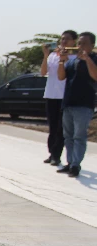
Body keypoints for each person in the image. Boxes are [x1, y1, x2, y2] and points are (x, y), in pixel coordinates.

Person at [57, 32, 97, 178]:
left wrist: (87, 59)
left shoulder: (94, 59)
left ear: (92, 45)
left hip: (84, 104)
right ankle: (70, 162)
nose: (80, 46)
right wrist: (62, 61)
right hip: (68, 103)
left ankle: (76, 165)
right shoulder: (73, 61)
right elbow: (61, 76)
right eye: (79, 43)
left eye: (84, 43)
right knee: (68, 136)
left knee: (79, 136)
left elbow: (95, 76)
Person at [41, 30, 78, 166]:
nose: (63, 42)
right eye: (62, 39)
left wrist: (65, 57)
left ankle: (57, 155)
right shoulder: (52, 55)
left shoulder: (75, 57)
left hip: (64, 96)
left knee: (61, 128)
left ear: (73, 41)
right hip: (51, 95)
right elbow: (43, 72)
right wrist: (46, 55)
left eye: (67, 39)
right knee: (52, 126)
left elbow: (69, 72)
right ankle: (51, 153)